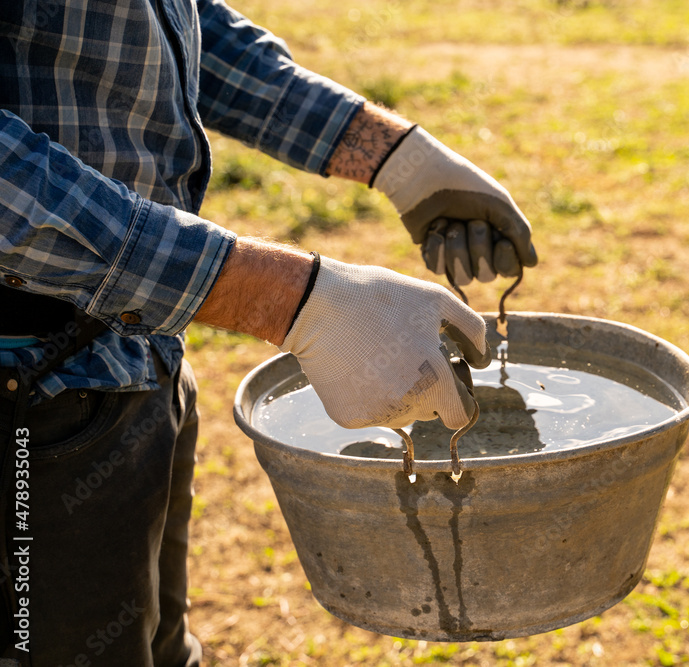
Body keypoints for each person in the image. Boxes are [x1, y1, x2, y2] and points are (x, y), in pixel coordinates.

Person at [0, 0, 536, 663]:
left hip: (131, 356)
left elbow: (158, 23)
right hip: (25, 388)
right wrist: (286, 299)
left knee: (155, 645)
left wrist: (396, 157)